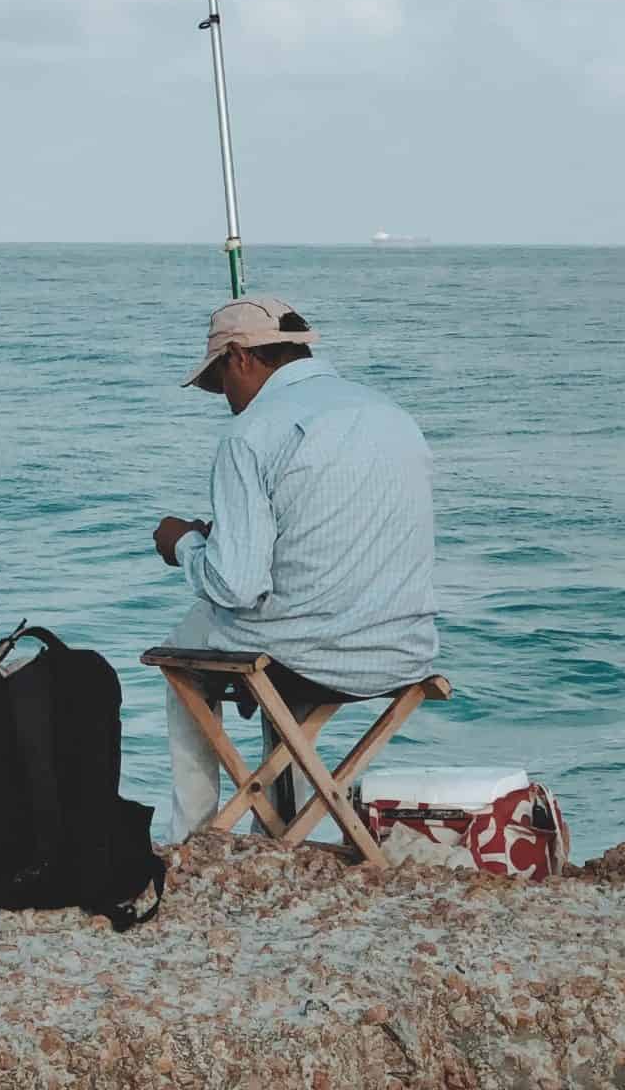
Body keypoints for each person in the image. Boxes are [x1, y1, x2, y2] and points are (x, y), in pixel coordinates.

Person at [152, 296, 438, 842]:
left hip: (307, 656)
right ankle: (284, 822)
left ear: (240, 357)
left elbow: (236, 585)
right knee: (273, 623)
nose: (226, 401)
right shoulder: (391, 415)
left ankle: (196, 833)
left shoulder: (250, 434)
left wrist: (184, 544)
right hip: (404, 651)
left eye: (220, 382)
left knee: (183, 656)